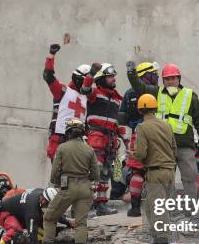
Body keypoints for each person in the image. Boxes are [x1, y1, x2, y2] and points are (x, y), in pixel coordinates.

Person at [126, 61, 199, 203]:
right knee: (167, 179)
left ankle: (192, 210)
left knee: (190, 177)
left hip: (184, 144)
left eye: (173, 78)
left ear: (179, 79)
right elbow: (139, 88)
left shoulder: (190, 95)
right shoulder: (156, 93)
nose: (170, 81)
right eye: (167, 79)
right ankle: (171, 211)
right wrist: (132, 74)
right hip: (163, 147)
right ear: (163, 80)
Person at [33, 119, 99, 244]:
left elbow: (55, 172)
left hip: (67, 187)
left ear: (68, 133)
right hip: (85, 188)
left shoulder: (62, 148)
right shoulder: (89, 149)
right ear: (82, 133)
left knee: (50, 217)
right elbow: (95, 174)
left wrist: (58, 182)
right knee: (81, 223)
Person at [131, 93, 177, 244]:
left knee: (157, 207)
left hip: (155, 171)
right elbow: (174, 149)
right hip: (169, 171)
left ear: (139, 110)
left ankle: (163, 241)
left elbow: (141, 153)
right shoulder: (166, 125)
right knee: (157, 206)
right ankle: (159, 239)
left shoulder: (142, 127)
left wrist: (132, 155)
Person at [81, 63, 126, 215]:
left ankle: (101, 205)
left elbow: (118, 122)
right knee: (94, 172)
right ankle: (86, 205)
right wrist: (91, 74)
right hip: (96, 137)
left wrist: (124, 139)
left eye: (114, 76)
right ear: (101, 79)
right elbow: (85, 89)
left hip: (110, 140)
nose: (114, 79)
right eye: (110, 76)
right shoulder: (95, 93)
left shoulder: (117, 99)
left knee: (105, 173)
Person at [0, 188, 73, 244]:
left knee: (43, 227)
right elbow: (32, 232)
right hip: (5, 214)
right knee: (16, 235)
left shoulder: (42, 193)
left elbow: (53, 212)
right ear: (44, 201)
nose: (49, 207)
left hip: (20, 213)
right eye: (49, 205)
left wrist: (67, 222)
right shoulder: (32, 210)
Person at [118, 62, 160, 217]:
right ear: (146, 74)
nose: (156, 76)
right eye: (154, 73)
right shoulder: (157, 91)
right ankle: (158, 207)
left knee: (137, 171)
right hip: (157, 134)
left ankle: (135, 208)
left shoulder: (129, 93)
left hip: (138, 134)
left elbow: (122, 117)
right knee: (156, 169)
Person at [42, 43, 89, 161]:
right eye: (88, 80)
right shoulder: (62, 91)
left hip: (79, 141)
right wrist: (51, 56)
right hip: (60, 138)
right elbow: (48, 76)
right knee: (59, 175)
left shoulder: (87, 98)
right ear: (80, 79)